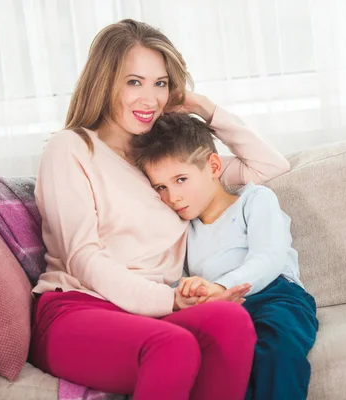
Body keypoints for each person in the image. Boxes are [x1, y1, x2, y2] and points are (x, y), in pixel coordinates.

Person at [29, 19, 290, 400]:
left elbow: (268, 168)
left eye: (160, 83)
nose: (149, 100)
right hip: (79, 310)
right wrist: (167, 300)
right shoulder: (71, 148)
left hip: (154, 315)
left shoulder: (163, 160)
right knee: (174, 345)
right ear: (105, 82)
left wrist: (204, 108)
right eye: (134, 82)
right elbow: (82, 256)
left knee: (231, 320)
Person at [130, 112, 319, 400]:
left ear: (214, 166)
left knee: (277, 351)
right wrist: (189, 290)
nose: (172, 197)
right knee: (209, 363)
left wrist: (221, 287)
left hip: (275, 296)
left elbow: (268, 258)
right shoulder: (182, 227)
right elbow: (177, 276)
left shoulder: (254, 200)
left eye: (181, 179)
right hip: (219, 310)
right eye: (161, 187)